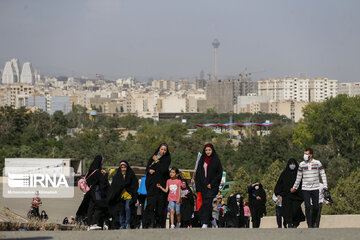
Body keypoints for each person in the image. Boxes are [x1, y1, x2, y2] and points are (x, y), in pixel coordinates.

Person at [291, 148, 328, 228]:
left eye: (307, 154)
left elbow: (322, 173)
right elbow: (299, 177)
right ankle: (309, 224)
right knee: (307, 206)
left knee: (316, 207)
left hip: (315, 187)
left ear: (311, 155)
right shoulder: (301, 164)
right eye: (304, 154)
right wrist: (295, 187)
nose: (305, 155)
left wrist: (325, 185)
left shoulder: (317, 163)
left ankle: (314, 220)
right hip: (305, 188)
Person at [77, 155, 109, 230]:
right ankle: (93, 223)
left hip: (89, 192)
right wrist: (105, 175)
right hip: (96, 192)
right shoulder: (97, 172)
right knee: (100, 206)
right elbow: (103, 181)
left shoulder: (89, 171)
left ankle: (89, 225)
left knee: (90, 208)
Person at [195, 143, 223, 228]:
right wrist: (198, 186)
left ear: (212, 150)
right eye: (206, 150)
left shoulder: (216, 160)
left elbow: (219, 173)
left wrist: (212, 184)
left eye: (209, 150)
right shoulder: (202, 160)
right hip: (203, 187)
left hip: (212, 187)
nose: (208, 152)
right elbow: (198, 174)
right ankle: (211, 219)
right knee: (206, 204)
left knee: (207, 202)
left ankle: (205, 222)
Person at [145, 143, 171, 228]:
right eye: (161, 149)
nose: (163, 151)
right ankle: (150, 223)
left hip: (161, 186)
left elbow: (163, 169)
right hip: (152, 186)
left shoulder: (167, 158)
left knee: (160, 206)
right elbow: (148, 168)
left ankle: (159, 223)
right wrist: (149, 170)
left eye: (164, 150)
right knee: (151, 205)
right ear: (158, 149)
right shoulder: (153, 157)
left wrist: (157, 161)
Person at [274, 158, 305, 228]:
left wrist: (296, 190)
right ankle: (289, 223)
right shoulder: (284, 173)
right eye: (291, 164)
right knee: (287, 210)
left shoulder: (299, 174)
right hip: (286, 195)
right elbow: (279, 184)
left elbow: (302, 184)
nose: (292, 165)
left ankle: (295, 222)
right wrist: (278, 193)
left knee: (296, 210)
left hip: (296, 196)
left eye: (293, 164)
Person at [108, 160, 138, 229]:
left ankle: (127, 223)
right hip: (120, 196)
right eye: (122, 167)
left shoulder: (131, 174)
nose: (123, 169)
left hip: (129, 195)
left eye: (125, 167)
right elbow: (114, 186)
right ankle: (122, 224)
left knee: (128, 208)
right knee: (121, 210)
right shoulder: (117, 176)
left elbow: (134, 185)